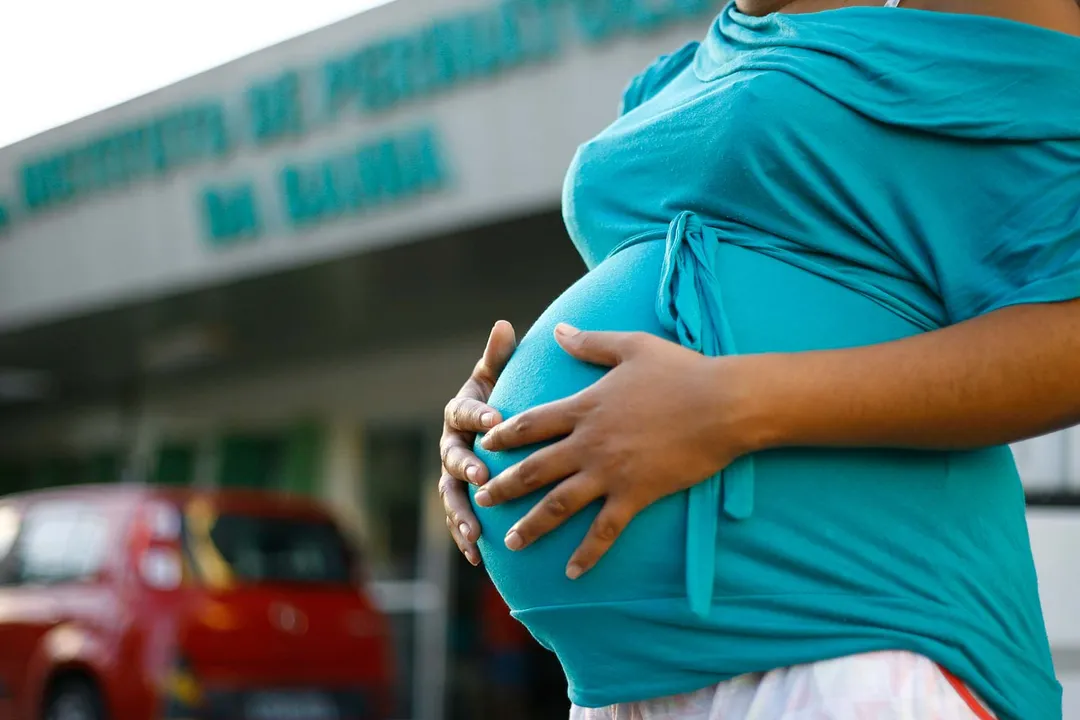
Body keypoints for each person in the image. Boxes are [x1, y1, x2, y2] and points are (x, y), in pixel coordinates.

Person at [438, 1, 1080, 718]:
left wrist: (731, 405)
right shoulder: (670, 79)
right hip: (628, 682)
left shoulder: (961, 13)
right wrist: (496, 425)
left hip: (855, 641)